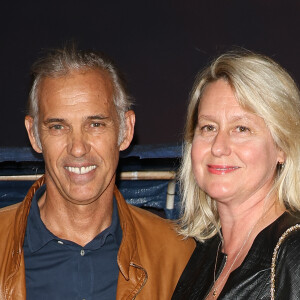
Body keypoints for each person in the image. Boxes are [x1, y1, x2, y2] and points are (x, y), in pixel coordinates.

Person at [0, 45, 195, 300]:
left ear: (126, 129)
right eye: (58, 127)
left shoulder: (176, 256)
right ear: (34, 134)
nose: (78, 148)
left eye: (95, 124)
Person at [172, 50, 300, 299]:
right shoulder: (201, 256)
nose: (219, 147)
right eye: (208, 127)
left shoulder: (294, 254)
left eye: (241, 128)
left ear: (282, 147)